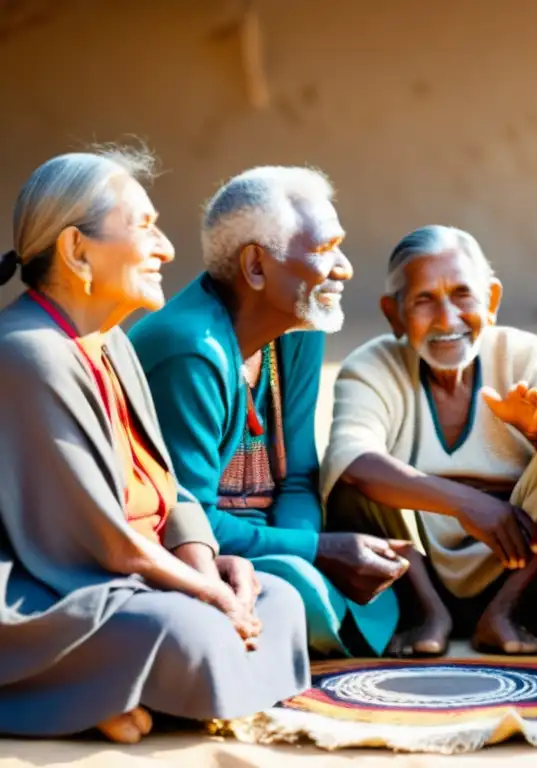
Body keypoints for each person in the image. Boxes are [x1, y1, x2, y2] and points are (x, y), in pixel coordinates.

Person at [0, 148, 309, 743]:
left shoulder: (112, 342)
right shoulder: (28, 352)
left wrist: (210, 567)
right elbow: (103, 544)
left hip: (136, 579)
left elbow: (167, 491)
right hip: (52, 590)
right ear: (76, 250)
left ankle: (112, 691)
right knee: (187, 632)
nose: (166, 248)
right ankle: (82, 692)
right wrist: (208, 594)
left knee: (279, 598)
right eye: (144, 227)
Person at [130, 166, 406, 659]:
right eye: (325, 249)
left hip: (271, 541)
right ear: (256, 266)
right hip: (196, 554)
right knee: (301, 589)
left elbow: (299, 475)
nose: (343, 268)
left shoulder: (299, 328)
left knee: (322, 576)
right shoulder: (191, 348)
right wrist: (318, 552)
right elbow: (186, 519)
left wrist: (304, 548)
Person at [321, 225, 537, 656]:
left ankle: (504, 611)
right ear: (395, 314)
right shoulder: (372, 364)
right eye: (423, 300)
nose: (446, 319)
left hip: (515, 554)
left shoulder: (523, 354)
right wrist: (467, 503)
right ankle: (426, 612)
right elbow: (351, 458)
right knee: (353, 480)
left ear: (491, 301)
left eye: (463, 295)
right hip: (414, 568)